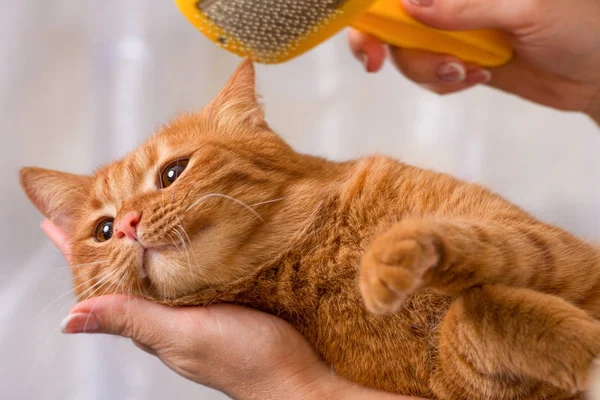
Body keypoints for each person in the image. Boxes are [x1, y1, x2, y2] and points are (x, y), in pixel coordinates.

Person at [50, 0, 600, 399]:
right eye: (102, 231)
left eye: (170, 173)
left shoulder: (378, 191)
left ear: (254, 133)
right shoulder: (290, 330)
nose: (130, 223)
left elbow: (573, 272)